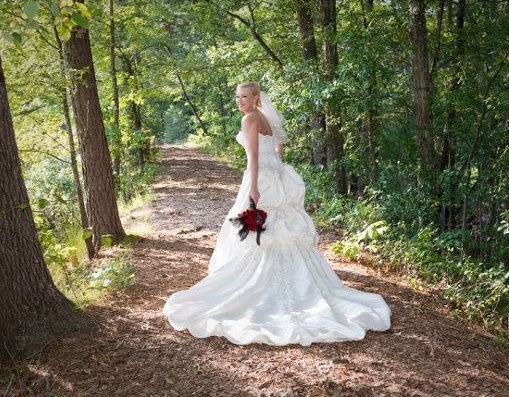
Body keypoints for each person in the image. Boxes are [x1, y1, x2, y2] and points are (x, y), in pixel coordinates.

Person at [162, 82, 391, 346]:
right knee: (272, 232)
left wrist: (255, 188)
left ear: (255, 98)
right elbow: (278, 147)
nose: (239, 101)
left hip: (262, 181)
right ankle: (295, 286)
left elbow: (254, 158)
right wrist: (274, 171)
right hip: (277, 177)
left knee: (257, 233)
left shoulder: (250, 119)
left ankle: (261, 289)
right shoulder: (266, 118)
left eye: (244, 97)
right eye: (237, 97)